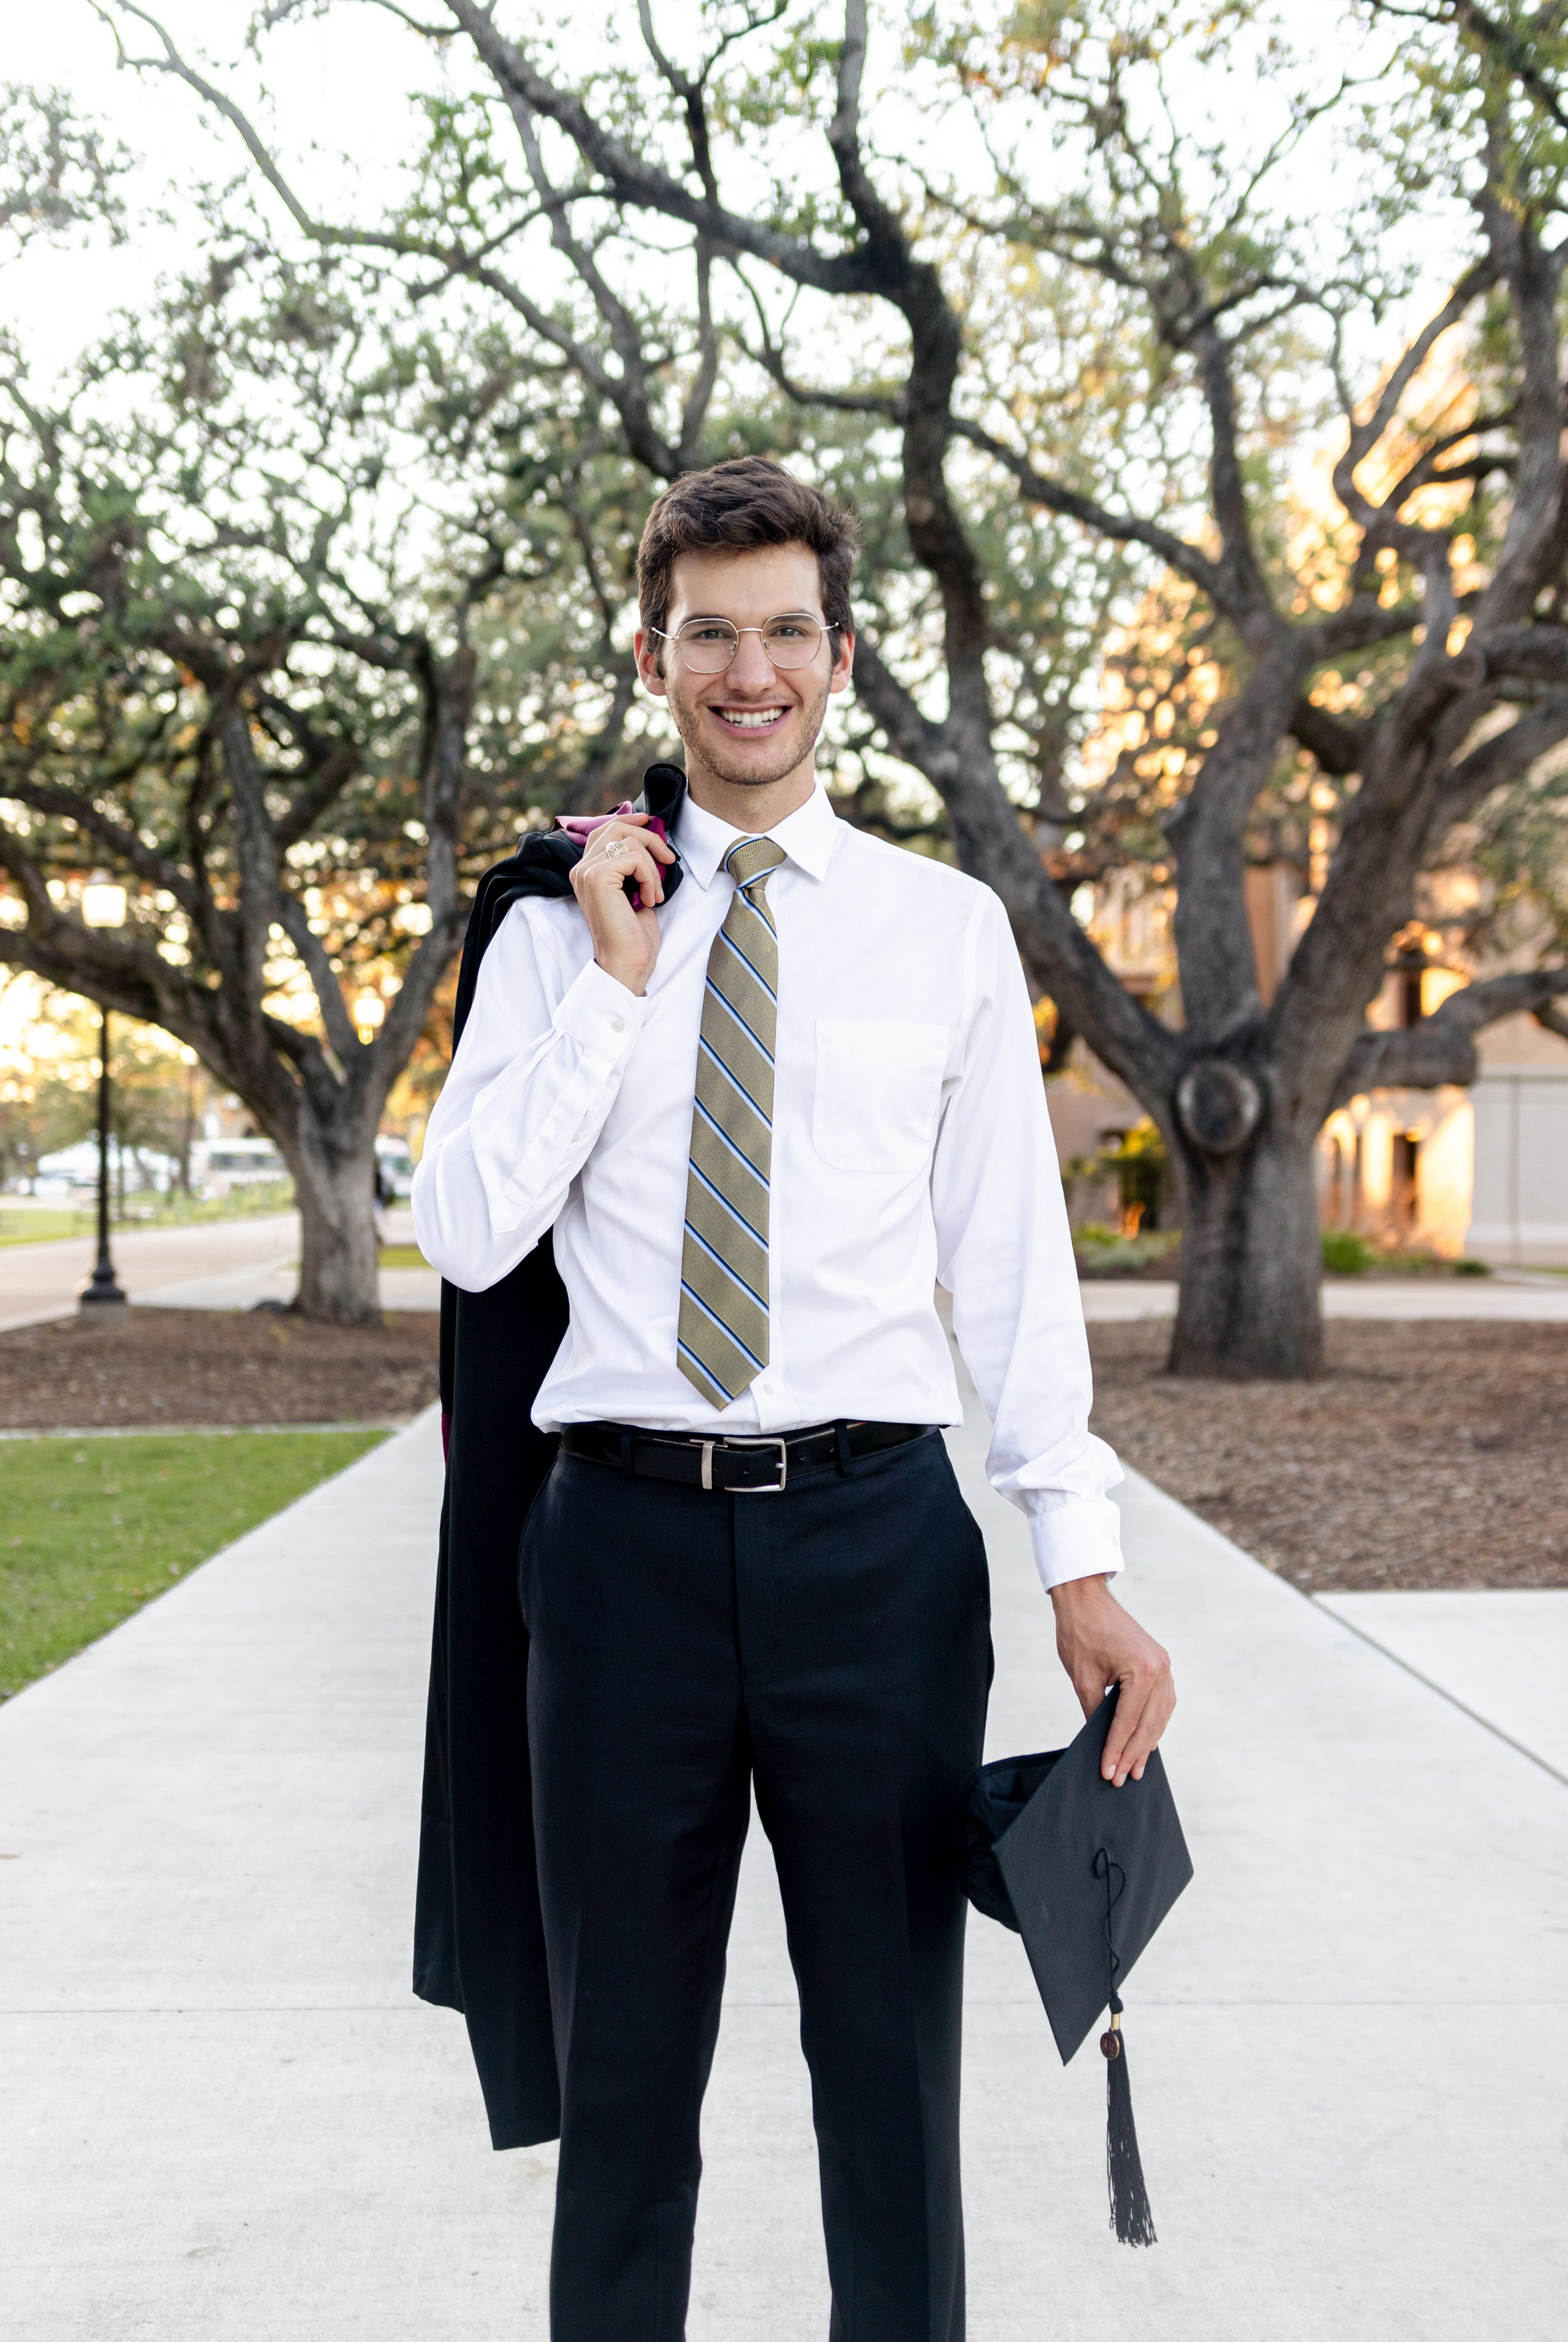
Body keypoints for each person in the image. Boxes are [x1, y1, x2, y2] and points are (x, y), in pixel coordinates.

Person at [412, 456, 1175, 2341]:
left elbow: (1011, 1269)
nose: (745, 671)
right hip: (619, 1561)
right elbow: (464, 1221)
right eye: (707, 635)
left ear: (837, 654)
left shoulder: (943, 930)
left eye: (781, 633)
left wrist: (1077, 1566)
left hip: (874, 1556)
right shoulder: (550, 925)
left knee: (891, 2089)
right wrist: (612, 976)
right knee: (624, 2100)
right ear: (655, 654)